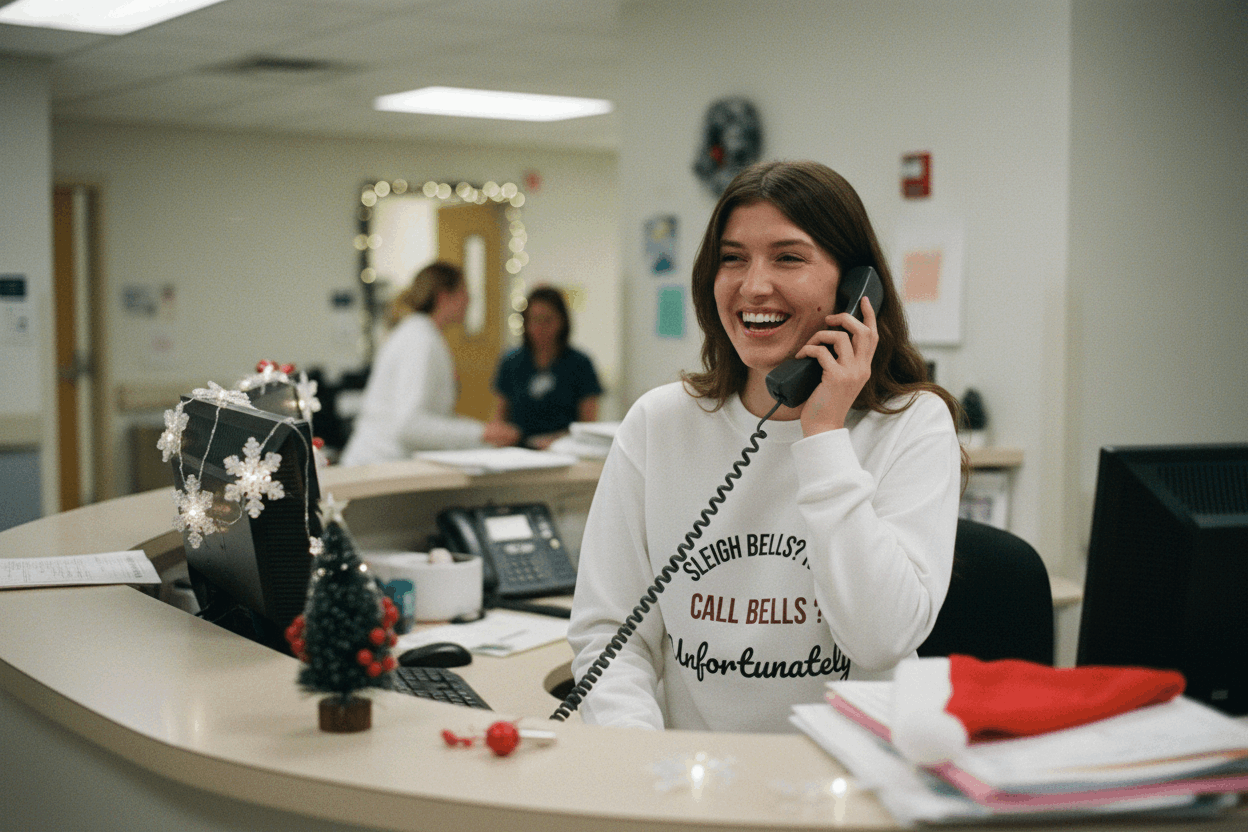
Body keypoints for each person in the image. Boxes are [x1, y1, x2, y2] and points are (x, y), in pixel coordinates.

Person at [567, 160, 966, 733]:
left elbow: (881, 641)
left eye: (788, 257)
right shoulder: (659, 424)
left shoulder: (913, 425)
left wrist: (824, 434)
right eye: (733, 258)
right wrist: (646, 767)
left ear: (855, 287)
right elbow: (609, 638)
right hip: (694, 789)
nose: (754, 285)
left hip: (852, 782)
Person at [339, 261, 520, 466]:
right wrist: (482, 433)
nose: (469, 300)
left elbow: (429, 417)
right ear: (444, 296)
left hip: (384, 466)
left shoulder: (419, 333)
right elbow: (409, 426)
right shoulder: (420, 339)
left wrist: (482, 434)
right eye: (464, 292)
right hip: (379, 467)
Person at [491, 285, 603, 450]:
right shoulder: (511, 362)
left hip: (564, 454)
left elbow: (588, 426)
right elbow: (499, 417)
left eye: (547, 320)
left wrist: (558, 440)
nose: (539, 328)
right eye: (534, 320)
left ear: (562, 321)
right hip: (517, 453)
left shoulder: (580, 364)